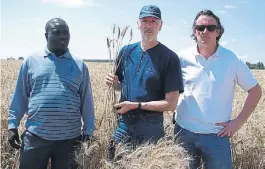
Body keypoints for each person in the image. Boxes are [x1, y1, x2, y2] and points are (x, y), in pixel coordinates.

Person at [174, 9, 262, 169]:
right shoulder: (181, 58)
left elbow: (255, 91)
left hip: (217, 136)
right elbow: (166, 86)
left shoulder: (231, 59)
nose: (205, 31)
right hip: (184, 133)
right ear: (195, 31)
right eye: (200, 28)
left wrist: (238, 122)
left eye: (210, 28)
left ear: (218, 31)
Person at [7, 18, 95, 169]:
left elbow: (86, 99)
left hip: (70, 140)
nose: (63, 36)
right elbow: (20, 95)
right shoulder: (31, 61)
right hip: (36, 137)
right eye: (57, 32)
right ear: (46, 35)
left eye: (66, 33)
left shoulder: (79, 65)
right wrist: (12, 125)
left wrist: (89, 129)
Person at [105, 5, 184, 158]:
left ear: (160, 25)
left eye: (153, 21)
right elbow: (119, 86)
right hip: (123, 124)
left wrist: (136, 105)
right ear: (138, 24)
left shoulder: (169, 58)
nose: (149, 25)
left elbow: (171, 104)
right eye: (145, 21)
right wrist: (112, 82)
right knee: (114, 162)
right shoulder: (126, 51)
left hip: (150, 128)